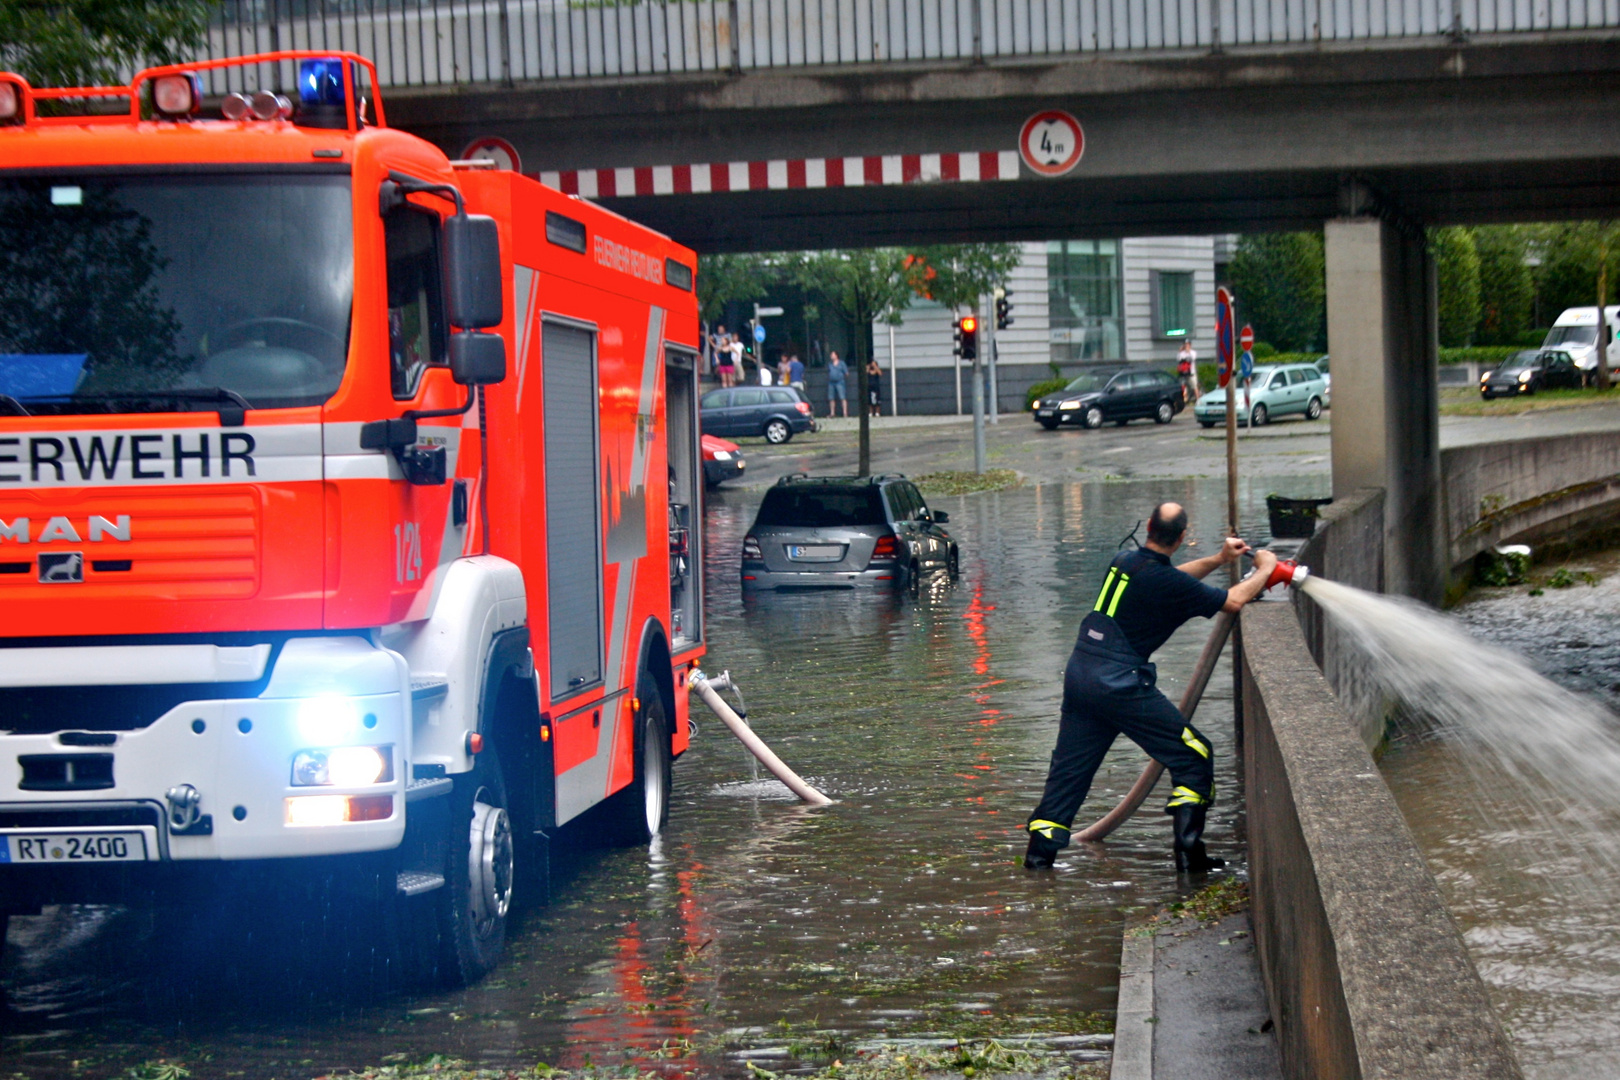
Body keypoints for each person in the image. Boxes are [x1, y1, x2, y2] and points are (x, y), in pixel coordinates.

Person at [1023, 503, 1277, 874]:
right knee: (1194, 754)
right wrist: (1267, 568)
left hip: (1081, 676)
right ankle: (1190, 858)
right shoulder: (1163, 581)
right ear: (1182, 537)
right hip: (1118, 684)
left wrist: (1220, 559)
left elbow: (1173, 580)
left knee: (1069, 775)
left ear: (1149, 529)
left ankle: (1037, 864)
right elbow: (1235, 600)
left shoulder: (1124, 561)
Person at [826, 350, 849, 418]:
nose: (831, 356)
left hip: (840, 382)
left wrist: (841, 377)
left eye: (833, 355)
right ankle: (832, 413)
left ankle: (845, 413)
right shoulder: (830, 364)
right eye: (831, 355)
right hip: (831, 382)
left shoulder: (842, 363)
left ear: (836, 355)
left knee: (842, 397)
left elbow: (846, 373)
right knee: (831, 398)